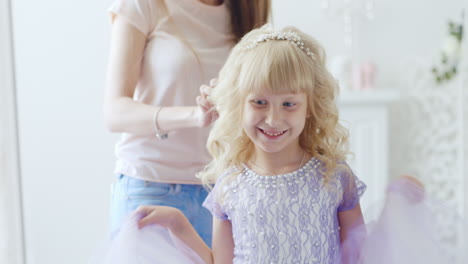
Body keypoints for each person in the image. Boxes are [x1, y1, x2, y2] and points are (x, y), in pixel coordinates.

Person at [135, 24, 367, 263]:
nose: (273, 119)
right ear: (239, 105)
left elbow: (359, 257)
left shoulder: (334, 176)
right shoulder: (229, 185)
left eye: (289, 104)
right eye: (259, 102)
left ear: (310, 107)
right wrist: (177, 223)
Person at [104, 0, 271, 246]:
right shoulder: (143, 5)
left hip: (223, 194)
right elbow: (114, 112)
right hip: (152, 187)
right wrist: (195, 115)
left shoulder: (250, 8)